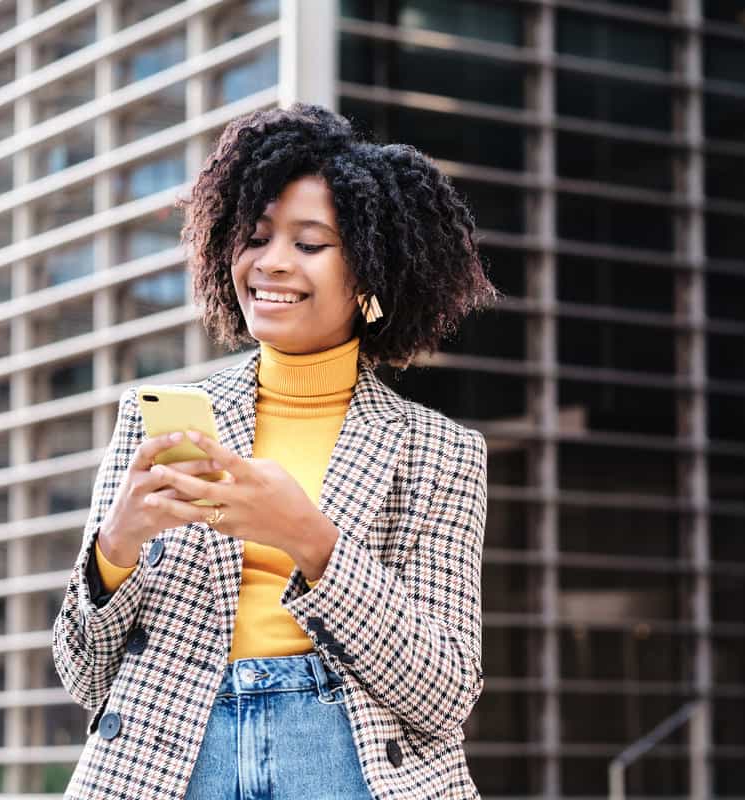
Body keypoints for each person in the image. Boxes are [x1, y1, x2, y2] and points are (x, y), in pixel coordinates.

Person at [51, 103, 498, 799]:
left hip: (344, 758)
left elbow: (445, 693)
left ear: (368, 277)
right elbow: (82, 674)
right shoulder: (153, 421)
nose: (271, 263)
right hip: (174, 754)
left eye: (310, 244)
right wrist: (118, 546)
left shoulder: (438, 452)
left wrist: (310, 540)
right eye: (254, 237)